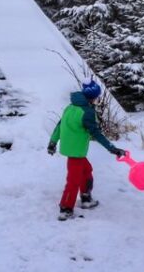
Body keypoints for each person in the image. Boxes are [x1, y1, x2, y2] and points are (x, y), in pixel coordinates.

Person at [48, 81, 125, 221]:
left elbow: (59, 125)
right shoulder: (87, 112)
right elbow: (95, 133)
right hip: (76, 152)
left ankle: (86, 198)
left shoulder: (70, 107)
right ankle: (65, 209)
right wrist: (112, 148)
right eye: (97, 97)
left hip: (72, 149)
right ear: (93, 97)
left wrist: (53, 142)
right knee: (73, 181)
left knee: (86, 170)